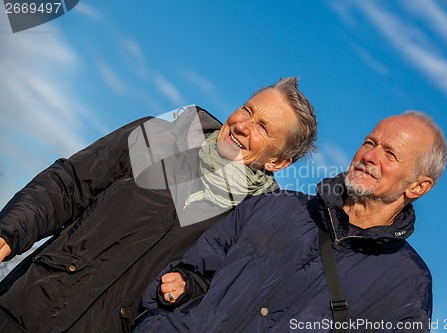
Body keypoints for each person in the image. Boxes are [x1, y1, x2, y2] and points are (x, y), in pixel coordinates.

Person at [0, 77, 318, 332]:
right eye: (247, 110)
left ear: (278, 162)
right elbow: (72, 183)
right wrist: (9, 231)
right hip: (24, 306)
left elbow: (224, 298)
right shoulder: (166, 135)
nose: (242, 126)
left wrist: (189, 286)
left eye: (263, 127)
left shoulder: (258, 221)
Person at [133, 111, 447, 332]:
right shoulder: (276, 206)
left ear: (418, 186)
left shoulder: (407, 283)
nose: (369, 155)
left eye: (390, 154)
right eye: (370, 142)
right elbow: (192, 272)